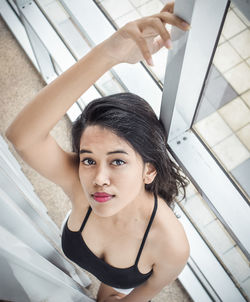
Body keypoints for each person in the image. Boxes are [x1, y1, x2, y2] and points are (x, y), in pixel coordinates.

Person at [6, 2, 190, 301]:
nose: (98, 179)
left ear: (149, 169)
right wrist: (109, 54)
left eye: (117, 160)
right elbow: (22, 136)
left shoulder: (171, 244)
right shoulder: (79, 183)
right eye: (88, 159)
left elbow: (147, 289)